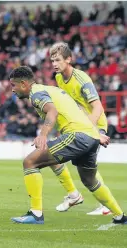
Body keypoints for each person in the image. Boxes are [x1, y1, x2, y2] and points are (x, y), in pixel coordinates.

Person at [8, 66, 126, 225]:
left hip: (77, 135)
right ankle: (120, 216)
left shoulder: (36, 93)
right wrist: (96, 134)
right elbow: (76, 112)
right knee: (90, 180)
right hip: (90, 136)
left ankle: (36, 214)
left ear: (23, 84)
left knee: (30, 162)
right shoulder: (51, 90)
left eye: (13, 86)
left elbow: (52, 111)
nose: (12, 90)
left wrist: (42, 135)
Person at [50, 42, 111, 215]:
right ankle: (92, 201)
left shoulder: (82, 79)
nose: (54, 64)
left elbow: (98, 108)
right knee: (85, 167)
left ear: (69, 59)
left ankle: (80, 197)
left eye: (58, 60)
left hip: (94, 124)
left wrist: (90, 130)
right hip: (78, 126)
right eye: (52, 60)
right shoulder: (59, 78)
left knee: (80, 166)